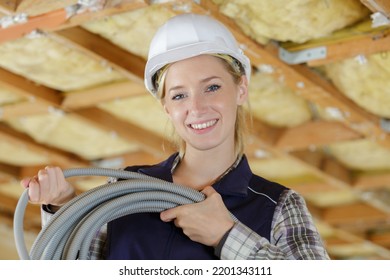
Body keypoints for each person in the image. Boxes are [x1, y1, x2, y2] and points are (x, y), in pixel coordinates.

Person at [20, 13, 329, 260]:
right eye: (179, 96)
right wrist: (62, 207)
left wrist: (227, 234)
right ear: (166, 107)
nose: (197, 107)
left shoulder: (277, 206)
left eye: (212, 87)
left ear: (241, 89)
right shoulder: (126, 187)